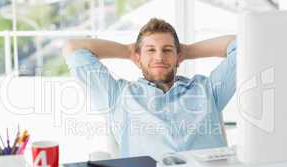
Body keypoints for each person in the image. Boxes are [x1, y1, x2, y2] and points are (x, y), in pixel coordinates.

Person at [64, 18, 236, 159]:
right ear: (138, 58)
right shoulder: (118, 96)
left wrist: (188, 51)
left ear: (178, 57)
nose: (159, 57)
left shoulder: (208, 90)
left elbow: (245, 45)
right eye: (151, 50)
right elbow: (73, 48)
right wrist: (126, 51)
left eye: (167, 50)